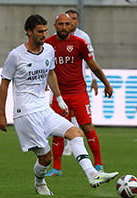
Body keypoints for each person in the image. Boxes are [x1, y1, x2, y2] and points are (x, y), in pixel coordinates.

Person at [0, 14, 118, 196]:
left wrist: (59, 99)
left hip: (44, 109)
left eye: (45, 31)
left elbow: (51, 73)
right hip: (26, 114)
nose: (44, 35)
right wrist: (1, 114)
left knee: (76, 133)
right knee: (46, 158)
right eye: (40, 32)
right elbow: (4, 83)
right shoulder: (15, 55)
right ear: (29, 32)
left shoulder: (48, 50)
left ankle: (93, 174)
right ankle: (39, 183)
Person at [45, 13, 114, 176]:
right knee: (58, 130)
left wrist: (106, 83)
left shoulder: (80, 43)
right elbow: (43, 68)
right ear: (55, 26)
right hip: (59, 94)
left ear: (71, 26)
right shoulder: (48, 44)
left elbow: (93, 66)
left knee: (87, 127)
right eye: (60, 24)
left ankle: (98, 165)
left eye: (66, 24)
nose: (63, 27)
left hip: (78, 93)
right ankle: (57, 168)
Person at [62, 9, 98, 156]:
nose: (70, 21)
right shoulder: (57, 38)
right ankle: (65, 145)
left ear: (78, 21)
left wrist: (94, 79)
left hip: (77, 83)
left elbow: (91, 58)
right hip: (59, 83)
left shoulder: (83, 37)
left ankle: (72, 142)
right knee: (62, 114)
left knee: (76, 116)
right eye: (68, 18)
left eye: (73, 18)